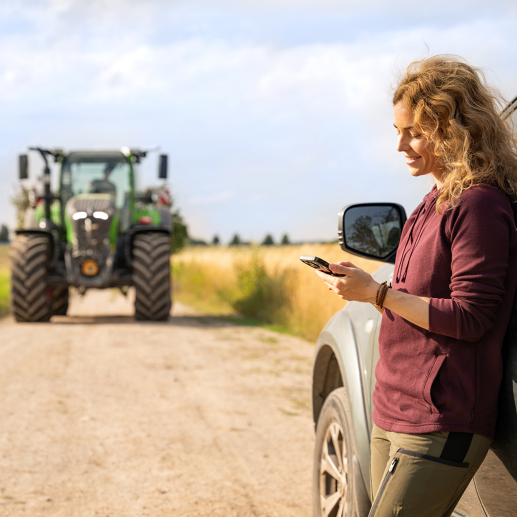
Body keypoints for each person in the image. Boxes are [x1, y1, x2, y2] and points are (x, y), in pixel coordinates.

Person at [316, 55, 517, 517]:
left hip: (442, 418)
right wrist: (366, 285)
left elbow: (471, 317)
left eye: (416, 131)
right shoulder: (433, 200)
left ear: (455, 127)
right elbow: (420, 293)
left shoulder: (480, 205)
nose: (402, 145)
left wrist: (378, 294)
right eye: (398, 131)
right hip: (394, 410)